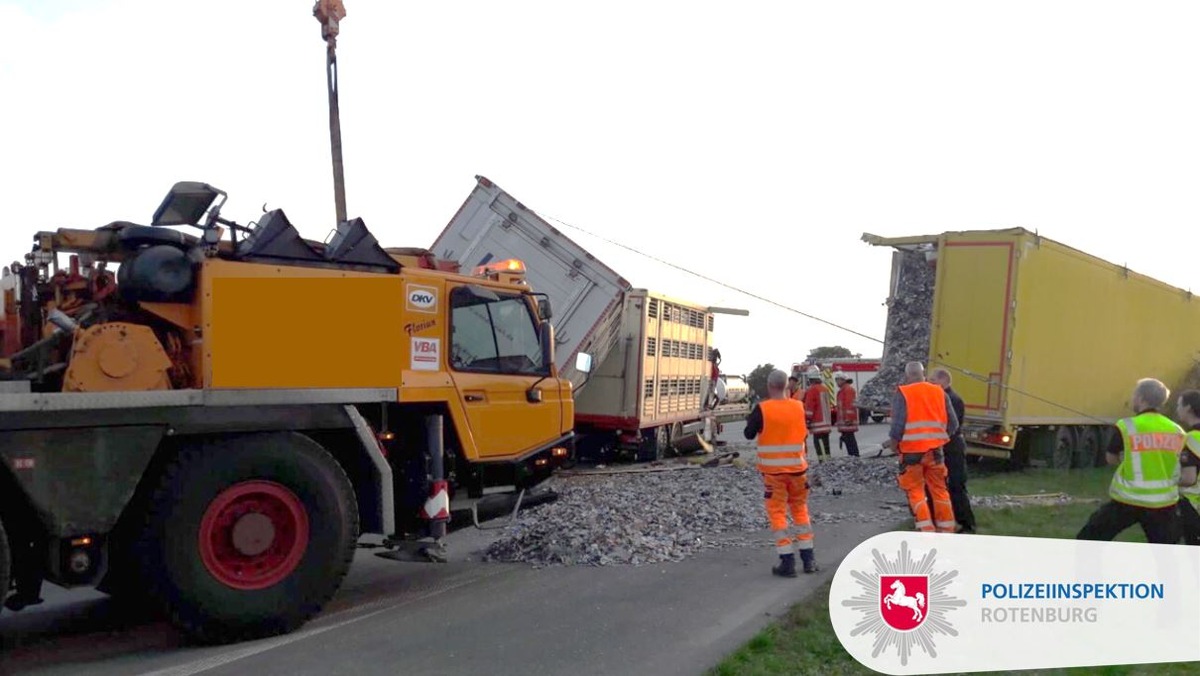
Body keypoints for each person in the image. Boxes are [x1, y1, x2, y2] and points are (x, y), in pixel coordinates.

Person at [1077, 378, 1184, 544]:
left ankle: (1086, 569)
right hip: (1163, 503)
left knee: (1089, 539)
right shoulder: (1177, 430)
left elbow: (1111, 458)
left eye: (1135, 395)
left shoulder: (1127, 426)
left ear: (1141, 398)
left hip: (1128, 500)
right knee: (1166, 552)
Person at [743, 369, 818, 576]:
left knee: (778, 514)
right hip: (798, 471)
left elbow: (749, 434)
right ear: (787, 386)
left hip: (774, 474)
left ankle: (787, 561)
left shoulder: (762, 409)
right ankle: (809, 560)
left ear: (769, 386)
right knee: (801, 511)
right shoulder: (799, 407)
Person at [881, 361, 959, 533]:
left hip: (911, 453)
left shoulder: (904, 393)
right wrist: (938, 438)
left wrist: (894, 445)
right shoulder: (939, 392)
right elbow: (953, 424)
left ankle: (926, 530)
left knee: (915, 491)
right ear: (923, 373)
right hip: (935, 452)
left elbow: (897, 426)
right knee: (939, 490)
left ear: (908, 375)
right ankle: (947, 530)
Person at [928, 368, 976, 533]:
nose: (930, 384)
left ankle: (967, 523)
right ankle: (947, 520)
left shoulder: (951, 399)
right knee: (942, 486)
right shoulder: (943, 397)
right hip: (946, 446)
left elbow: (951, 426)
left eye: (933, 381)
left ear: (943, 381)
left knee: (956, 485)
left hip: (952, 447)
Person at [1176, 389, 1200, 545]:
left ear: (1188, 408)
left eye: (1179, 405)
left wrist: (1166, 480)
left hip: (1193, 505)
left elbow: (1189, 479)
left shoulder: (1190, 438)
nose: (1177, 409)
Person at [803, 372, 833, 462]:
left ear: (811, 380)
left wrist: (807, 420)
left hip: (818, 424)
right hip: (826, 423)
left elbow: (810, 407)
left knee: (820, 446)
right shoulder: (825, 389)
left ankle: (823, 464)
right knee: (826, 446)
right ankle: (828, 462)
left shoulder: (812, 390)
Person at [834, 372, 861, 457]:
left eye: (837, 380)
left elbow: (849, 406)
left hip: (848, 422)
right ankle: (853, 456)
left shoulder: (847, 390)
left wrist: (849, 419)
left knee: (850, 440)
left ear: (843, 380)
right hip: (845, 422)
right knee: (848, 440)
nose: (836, 382)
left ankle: (855, 457)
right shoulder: (843, 391)